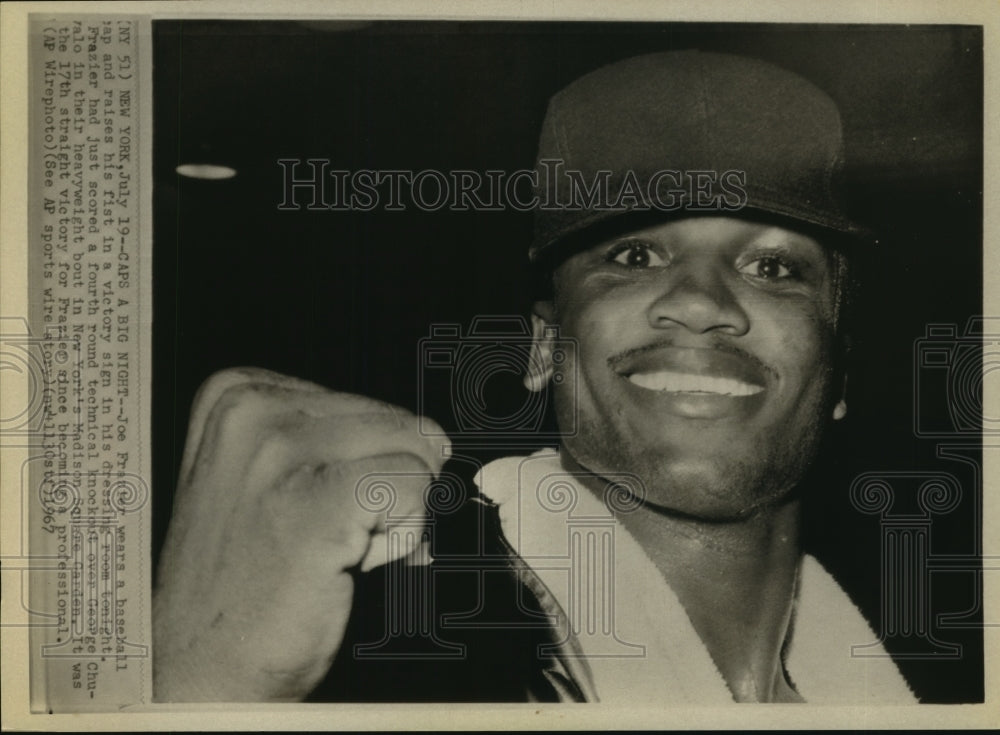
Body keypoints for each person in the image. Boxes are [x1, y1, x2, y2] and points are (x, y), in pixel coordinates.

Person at [152, 50, 916, 704]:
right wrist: (200, 687)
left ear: (839, 371)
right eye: (634, 255)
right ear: (544, 347)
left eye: (774, 266)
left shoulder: (917, 679)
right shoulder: (391, 646)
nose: (698, 302)